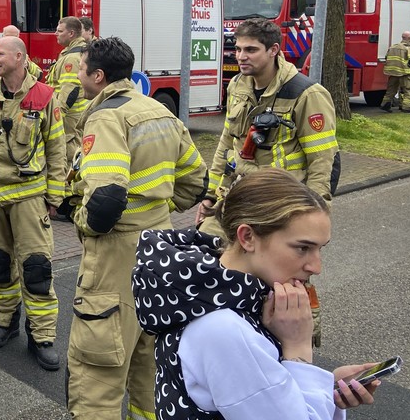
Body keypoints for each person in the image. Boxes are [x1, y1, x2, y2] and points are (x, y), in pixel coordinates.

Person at [134, 169, 379, 419]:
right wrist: (298, 348)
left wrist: (325, 388)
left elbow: (257, 394)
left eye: (319, 249)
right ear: (248, 237)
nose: (316, 267)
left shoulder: (202, 295)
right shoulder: (224, 329)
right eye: (302, 248)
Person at [65, 36, 207, 418]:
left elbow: (106, 200)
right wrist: (157, 208)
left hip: (116, 254)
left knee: (98, 371)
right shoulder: (159, 110)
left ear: (97, 75)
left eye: (80, 68)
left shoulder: (106, 116)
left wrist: (82, 221)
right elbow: (196, 183)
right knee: (151, 364)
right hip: (160, 245)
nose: (76, 74)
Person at [0, 36, 66, 371]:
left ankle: (42, 336)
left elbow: (57, 149)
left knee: (36, 268)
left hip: (29, 197)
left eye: (0, 53)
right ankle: (4, 321)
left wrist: (55, 195)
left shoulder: (44, 97)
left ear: (20, 58)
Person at [198, 18, 340, 234]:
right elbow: (227, 144)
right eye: (237, 49)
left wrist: (315, 214)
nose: (240, 56)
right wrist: (211, 195)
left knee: (264, 264)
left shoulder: (307, 94)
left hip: (282, 201)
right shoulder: (237, 86)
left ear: (273, 50)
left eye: (251, 50)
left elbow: (322, 161)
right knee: (206, 246)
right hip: (240, 193)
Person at [46, 16, 90, 164]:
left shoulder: (71, 58)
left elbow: (69, 90)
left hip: (69, 118)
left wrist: (56, 116)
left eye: (59, 31)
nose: (55, 34)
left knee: (70, 156)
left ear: (71, 34)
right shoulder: (70, 52)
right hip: (72, 116)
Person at [381, 31, 410, 113]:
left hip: (393, 72)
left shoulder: (392, 47)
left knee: (391, 90)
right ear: (408, 38)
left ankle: (385, 104)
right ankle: (407, 107)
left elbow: (387, 57)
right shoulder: (409, 48)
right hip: (405, 73)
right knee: (409, 89)